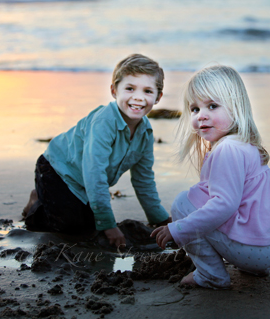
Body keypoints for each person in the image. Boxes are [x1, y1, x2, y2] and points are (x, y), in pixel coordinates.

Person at [151, 65, 270, 288]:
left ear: (236, 107)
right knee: (202, 199)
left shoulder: (226, 150)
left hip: (256, 250)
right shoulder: (245, 145)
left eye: (212, 106)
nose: (201, 116)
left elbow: (224, 205)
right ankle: (252, 268)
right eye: (194, 109)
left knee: (183, 204)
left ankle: (211, 275)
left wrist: (177, 228)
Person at [23, 54, 171, 249]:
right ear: (113, 90)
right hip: (56, 169)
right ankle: (36, 204)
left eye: (147, 91)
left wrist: (159, 219)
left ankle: (64, 203)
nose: (138, 97)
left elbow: (143, 179)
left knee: (90, 223)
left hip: (85, 182)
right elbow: (95, 172)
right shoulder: (104, 122)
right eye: (129, 88)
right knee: (72, 227)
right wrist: (108, 225)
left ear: (158, 97)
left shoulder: (145, 133)